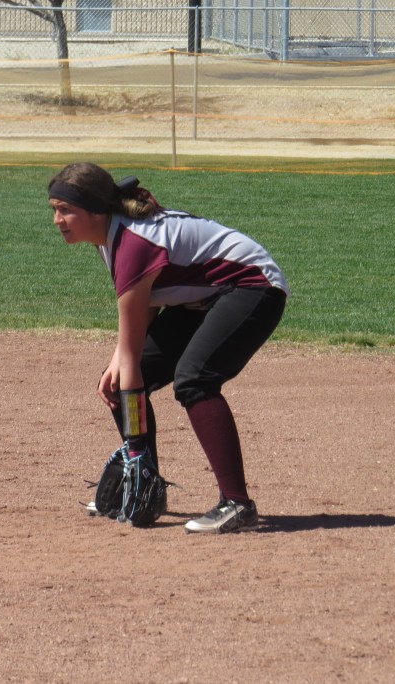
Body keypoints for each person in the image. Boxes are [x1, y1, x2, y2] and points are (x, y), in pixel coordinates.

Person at [48, 162, 289, 534]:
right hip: (203, 298)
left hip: (253, 287)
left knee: (194, 379)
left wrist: (133, 442)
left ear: (96, 210)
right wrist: (117, 363)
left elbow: (132, 346)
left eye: (66, 210)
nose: (57, 220)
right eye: (54, 210)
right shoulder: (108, 238)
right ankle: (148, 488)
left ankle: (237, 504)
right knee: (121, 380)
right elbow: (149, 303)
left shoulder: (131, 244)